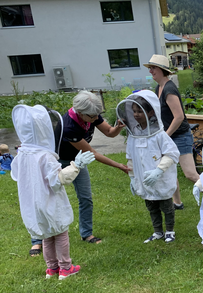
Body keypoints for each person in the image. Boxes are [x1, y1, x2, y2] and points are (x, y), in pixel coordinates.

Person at [11, 105, 95, 279]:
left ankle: (52, 269)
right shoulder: (45, 156)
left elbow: (16, 174)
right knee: (60, 232)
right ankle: (65, 268)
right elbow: (58, 181)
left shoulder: (22, 153)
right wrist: (76, 165)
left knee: (47, 236)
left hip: (32, 202)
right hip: (49, 200)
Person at [55, 90, 129, 245]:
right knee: (48, 198)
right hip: (58, 161)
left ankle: (86, 234)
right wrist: (119, 166)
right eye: (92, 116)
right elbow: (92, 153)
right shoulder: (69, 126)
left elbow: (109, 132)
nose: (96, 119)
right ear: (80, 112)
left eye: (98, 115)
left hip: (78, 160)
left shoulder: (91, 113)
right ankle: (38, 239)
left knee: (86, 198)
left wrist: (118, 126)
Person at [116, 90, 180, 243]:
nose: (136, 114)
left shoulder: (160, 135)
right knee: (151, 205)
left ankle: (170, 231)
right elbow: (130, 157)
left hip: (161, 177)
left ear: (151, 112)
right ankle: (158, 232)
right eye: (134, 111)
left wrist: (159, 170)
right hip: (143, 178)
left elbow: (172, 154)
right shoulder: (134, 135)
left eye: (140, 111)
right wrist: (132, 177)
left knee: (166, 205)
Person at [144, 54, 199, 210]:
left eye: (153, 68)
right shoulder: (159, 87)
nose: (150, 71)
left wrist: (165, 136)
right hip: (169, 136)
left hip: (180, 136)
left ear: (161, 70)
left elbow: (179, 117)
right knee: (169, 171)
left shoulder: (169, 89)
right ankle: (177, 203)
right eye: (150, 68)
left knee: (190, 173)